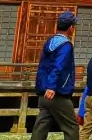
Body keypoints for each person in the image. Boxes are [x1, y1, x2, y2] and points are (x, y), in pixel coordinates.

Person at [32, 11, 79, 140]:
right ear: (71, 28)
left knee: (41, 126)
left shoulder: (50, 41)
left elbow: (44, 66)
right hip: (57, 92)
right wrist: (52, 86)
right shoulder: (65, 45)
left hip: (43, 92)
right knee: (71, 127)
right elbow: (59, 65)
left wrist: (44, 86)